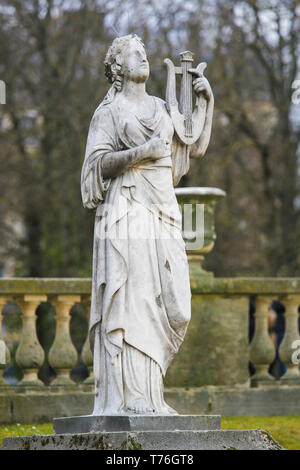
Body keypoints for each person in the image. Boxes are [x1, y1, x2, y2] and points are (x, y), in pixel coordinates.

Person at [81, 34, 214, 414]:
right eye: (134, 54)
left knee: (176, 306)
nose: (144, 57)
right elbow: (95, 167)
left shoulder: (161, 107)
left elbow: (194, 146)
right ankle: (134, 396)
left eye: (144, 52)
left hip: (163, 210)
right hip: (126, 211)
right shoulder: (109, 112)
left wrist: (208, 102)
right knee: (134, 299)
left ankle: (152, 392)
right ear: (118, 67)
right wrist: (142, 153)